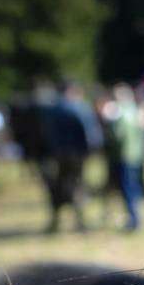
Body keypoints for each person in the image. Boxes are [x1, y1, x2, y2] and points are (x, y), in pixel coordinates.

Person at [42, 80, 102, 232]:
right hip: (77, 154)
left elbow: (46, 133)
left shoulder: (52, 109)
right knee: (77, 184)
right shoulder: (79, 107)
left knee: (59, 185)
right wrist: (93, 150)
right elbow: (90, 133)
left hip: (58, 154)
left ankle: (56, 221)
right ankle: (80, 221)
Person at [110, 83, 144, 231]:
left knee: (127, 189)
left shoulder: (120, 114)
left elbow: (118, 136)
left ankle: (133, 220)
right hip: (136, 156)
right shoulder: (136, 111)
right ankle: (137, 218)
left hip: (125, 156)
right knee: (135, 188)